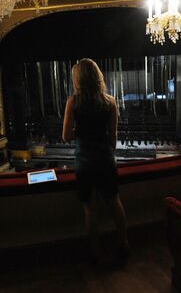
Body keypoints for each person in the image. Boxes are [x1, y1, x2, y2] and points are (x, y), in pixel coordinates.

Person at [62, 58, 129, 262]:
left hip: (84, 161)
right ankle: (123, 242)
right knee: (114, 202)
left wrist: (81, 131)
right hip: (105, 159)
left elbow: (66, 136)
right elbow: (113, 137)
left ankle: (95, 250)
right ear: (98, 76)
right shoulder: (110, 101)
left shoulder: (73, 102)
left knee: (91, 208)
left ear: (78, 79)